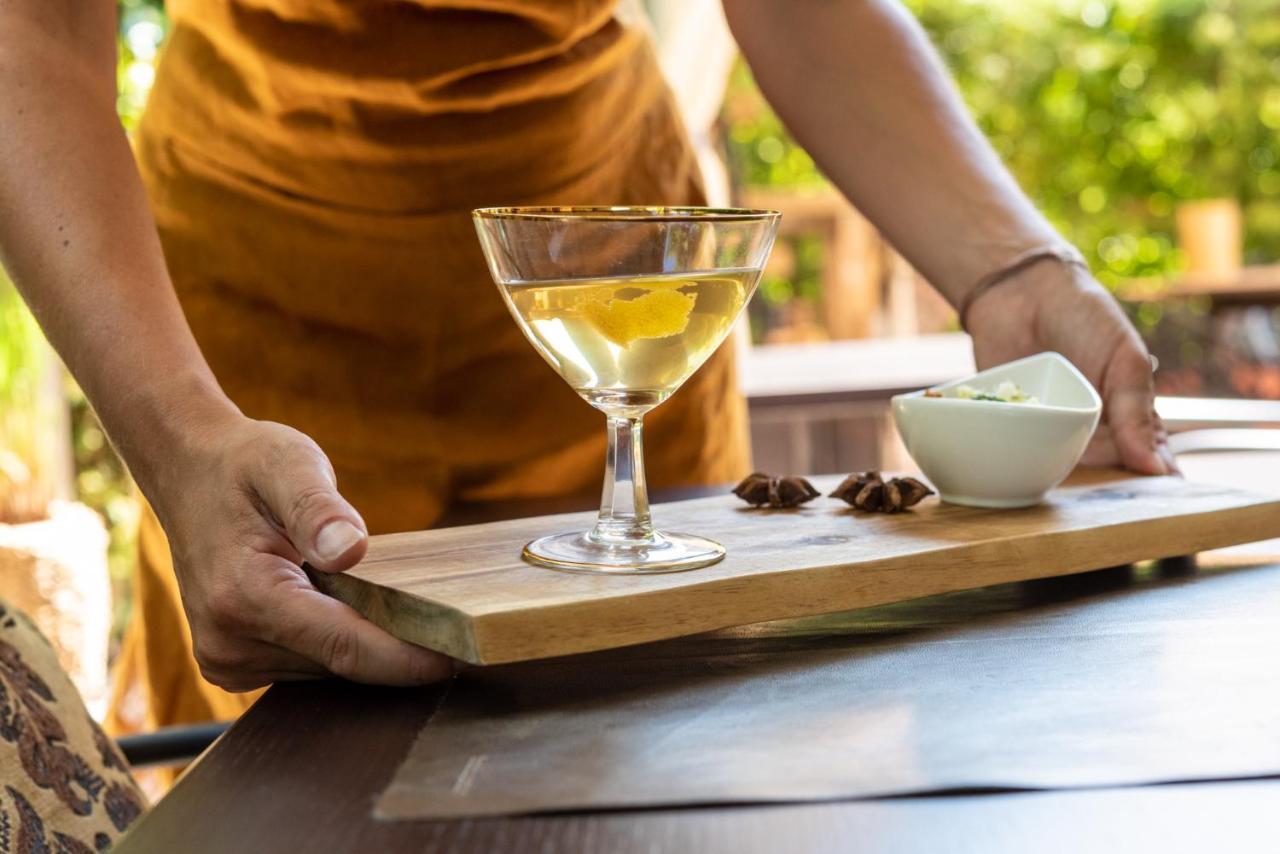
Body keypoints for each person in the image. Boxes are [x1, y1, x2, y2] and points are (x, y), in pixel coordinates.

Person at [0, 0, 1174, 735]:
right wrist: (182, 433)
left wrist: (1011, 269)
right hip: (255, 294)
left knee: (665, 730)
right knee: (298, 756)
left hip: (614, 272)